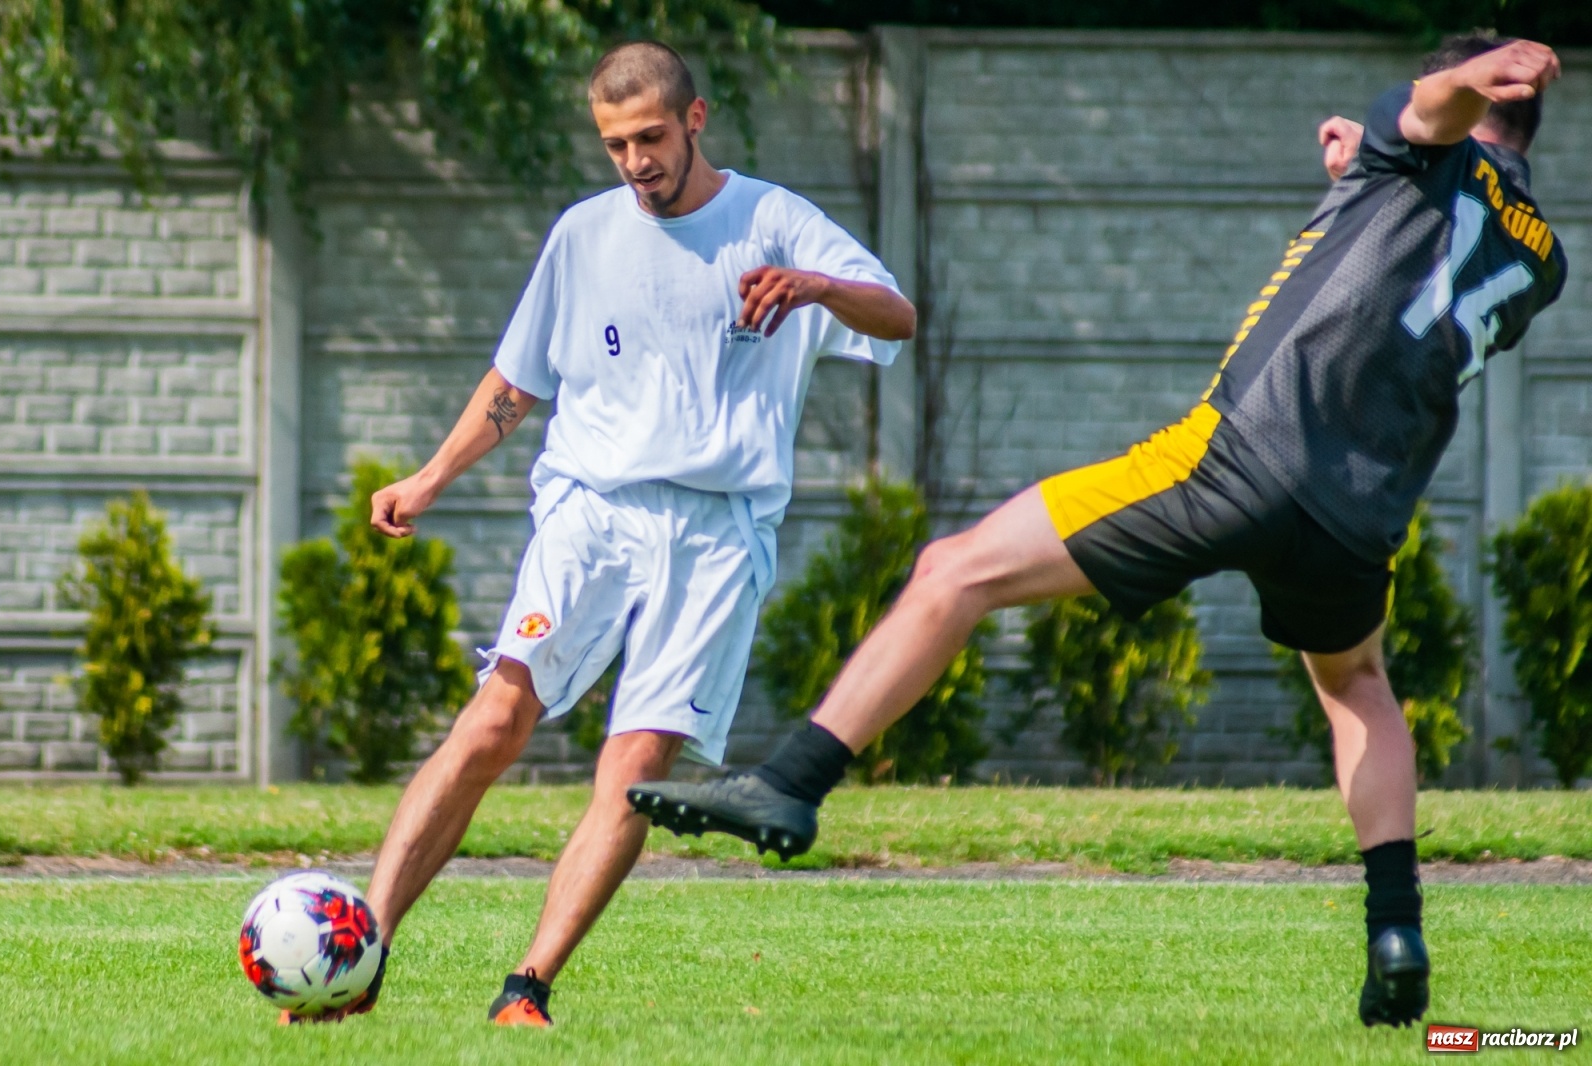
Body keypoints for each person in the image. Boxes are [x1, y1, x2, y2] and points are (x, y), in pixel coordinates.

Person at [631, 32, 1567, 1029]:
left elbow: (1432, 120)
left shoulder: (1423, 133)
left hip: (1239, 455)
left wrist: (1445, 95)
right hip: (1361, 515)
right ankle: (1396, 927)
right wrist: (1368, 176)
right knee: (1356, 684)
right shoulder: (1540, 258)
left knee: (956, 569)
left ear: (1477, 98)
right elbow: (1412, 261)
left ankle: (791, 781)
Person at [282, 40, 914, 1027]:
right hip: (591, 509)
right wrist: (430, 477)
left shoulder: (774, 221)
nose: (634, 162)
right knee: (492, 720)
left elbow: (899, 317)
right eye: (616, 144)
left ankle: (526, 985)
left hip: (716, 532)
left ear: (694, 120)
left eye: (651, 138)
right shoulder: (583, 236)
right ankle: (358, 957)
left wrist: (817, 287)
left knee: (633, 767)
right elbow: (519, 380)